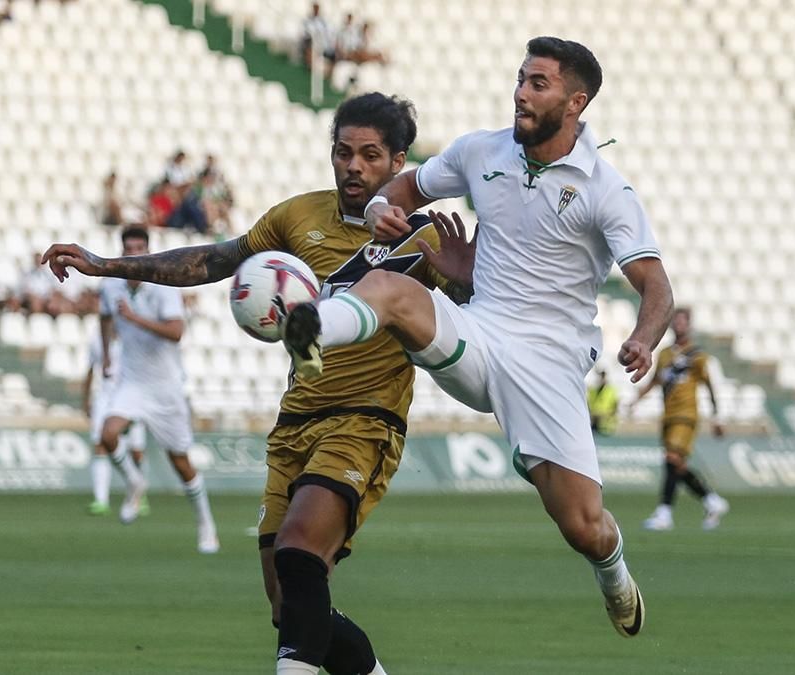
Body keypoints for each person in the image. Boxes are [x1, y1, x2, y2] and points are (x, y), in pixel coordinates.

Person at [42, 92, 460, 675]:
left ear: (399, 162)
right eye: (343, 152)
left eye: (370, 155)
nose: (354, 167)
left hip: (367, 418)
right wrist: (109, 266)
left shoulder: (427, 238)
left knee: (298, 549)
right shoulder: (298, 216)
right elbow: (216, 259)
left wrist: (463, 275)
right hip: (297, 420)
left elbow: (483, 323)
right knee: (289, 606)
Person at [279, 38, 672, 644]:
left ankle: (614, 573)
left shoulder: (605, 190)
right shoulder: (481, 151)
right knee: (390, 287)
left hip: (548, 364)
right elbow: (406, 189)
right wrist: (384, 208)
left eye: (538, 83)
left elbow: (654, 286)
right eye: (521, 78)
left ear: (576, 101)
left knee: (583, 527)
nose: (520, 92)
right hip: (481, 330)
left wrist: (645, 339)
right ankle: (312, 332)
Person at [94, 227, 218, 551]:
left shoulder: (164, 286)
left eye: (140, 247)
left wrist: (134, 319)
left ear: (149, 250)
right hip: (132, 382)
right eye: (129, 247)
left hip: (165, 387)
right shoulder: (111, 286)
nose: (134, 252)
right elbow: (105, 317)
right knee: (107, 435)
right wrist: (107, 354)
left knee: (181, 462)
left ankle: (206, 523)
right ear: (121, 250)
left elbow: (177, 332)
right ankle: (135, 482)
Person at [630, 307, 729, 531]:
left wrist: (717, 417)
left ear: (689, 325)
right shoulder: (665, 354)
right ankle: (712, 501)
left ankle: (664, 513)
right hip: (668, 416)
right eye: (676, 321)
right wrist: (636, 400)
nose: (678, 325)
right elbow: (655, 381)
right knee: (676, 464)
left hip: (686, 415)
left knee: (671, 458)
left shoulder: (698, 356)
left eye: (683, 321)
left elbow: (710, 386)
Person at [83, 331, 150, 517]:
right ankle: (101, 500)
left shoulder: (134, 337)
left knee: (136, 450)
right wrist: (86, 399)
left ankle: (140, 495)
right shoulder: (96, 340)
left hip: (131, 397)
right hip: (104, 399)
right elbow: (90, 370)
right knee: (100, 446)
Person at [300, 2, 337, 81]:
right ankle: (311, 67)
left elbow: (326, 34)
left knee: (334, 53)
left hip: (322, 44)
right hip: (311, 43)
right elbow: (306, 34)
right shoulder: (307, 21)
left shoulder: (323, 22)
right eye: (315, 8)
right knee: (309, 46)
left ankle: (329, 74)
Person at [587, 370, 619, 435]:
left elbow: (615, 410)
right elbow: (588, 407)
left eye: (602, 377)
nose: (601, 379)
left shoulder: (611, 391)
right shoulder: (592, 391)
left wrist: (601, 415)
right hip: (592, 425)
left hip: (606, 427)